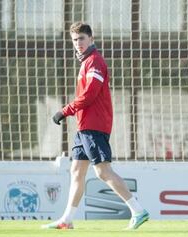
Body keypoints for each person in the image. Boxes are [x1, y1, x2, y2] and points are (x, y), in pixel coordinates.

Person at [42, 22, 149, 230]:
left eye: (81, 38)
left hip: (94, 126)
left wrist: (64, 111)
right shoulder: (86, 62)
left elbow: (89, 95)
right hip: (84, 127)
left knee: (102, 172)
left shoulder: (95, 61)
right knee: (76, 170)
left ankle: (138, 210)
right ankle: (67, 219)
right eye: (74, 40)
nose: (78, 43)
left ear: (91, 39)